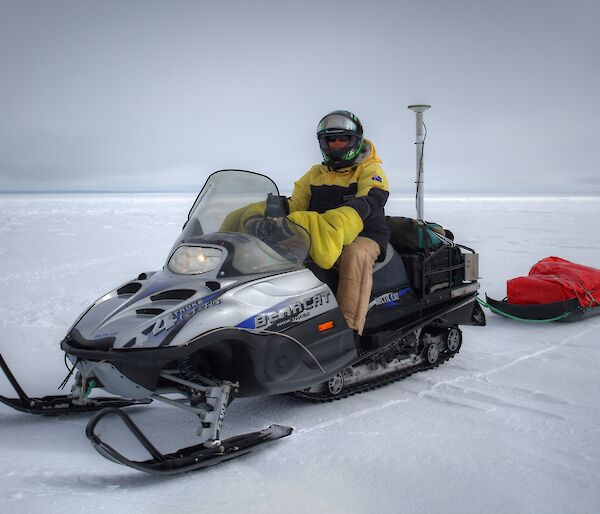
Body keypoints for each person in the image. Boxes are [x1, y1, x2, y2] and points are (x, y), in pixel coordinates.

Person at [286, 110, 390, 335]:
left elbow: (373, 197)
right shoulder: (315, 174)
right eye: (331, 140)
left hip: (365, 234)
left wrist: (353, 211)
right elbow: (296, 204)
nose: (336, 144)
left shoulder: (369, 169)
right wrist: (267, 211)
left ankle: (349, 331)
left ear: (354, 140)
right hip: (321, 233)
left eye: (342, 138)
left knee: (354, 255)